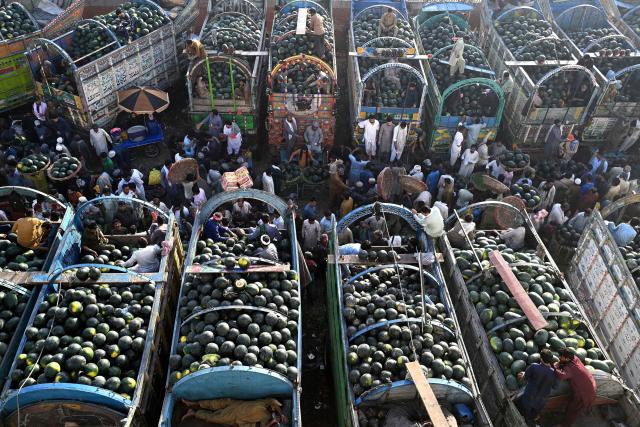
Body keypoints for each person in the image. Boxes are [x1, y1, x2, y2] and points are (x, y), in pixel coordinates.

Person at [554, 348, 596, 427]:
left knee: (573, 410)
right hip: (589, 384)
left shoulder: (571, 368)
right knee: (571, 404)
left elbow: (562, 376)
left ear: (567, 358)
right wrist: (559, 363)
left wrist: (554, 367)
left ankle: (565, 425)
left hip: (584, 393)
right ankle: (564, 414)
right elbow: (563, 363)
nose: (559, 357)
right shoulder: (575, 358)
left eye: (561, 356)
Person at [516, 349, 556, 427]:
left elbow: (524, 377)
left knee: (526, 414)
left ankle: (526, 421)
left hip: (529, 397)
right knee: (532, 415)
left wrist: (521, 374)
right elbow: (553, 386)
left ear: (541, 358)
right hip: (541, 401)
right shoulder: (553, 372)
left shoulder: (534, 366)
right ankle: (531, 421)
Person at [180, 398, 287, 426]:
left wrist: (273, 422)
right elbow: (274, 402)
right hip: (236, 403)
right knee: (215, 403)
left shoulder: (266, 419)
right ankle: (193, 404)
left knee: (215, 418)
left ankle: (194, 414)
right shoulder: (267, 403)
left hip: (236, 418)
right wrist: (281, 414)